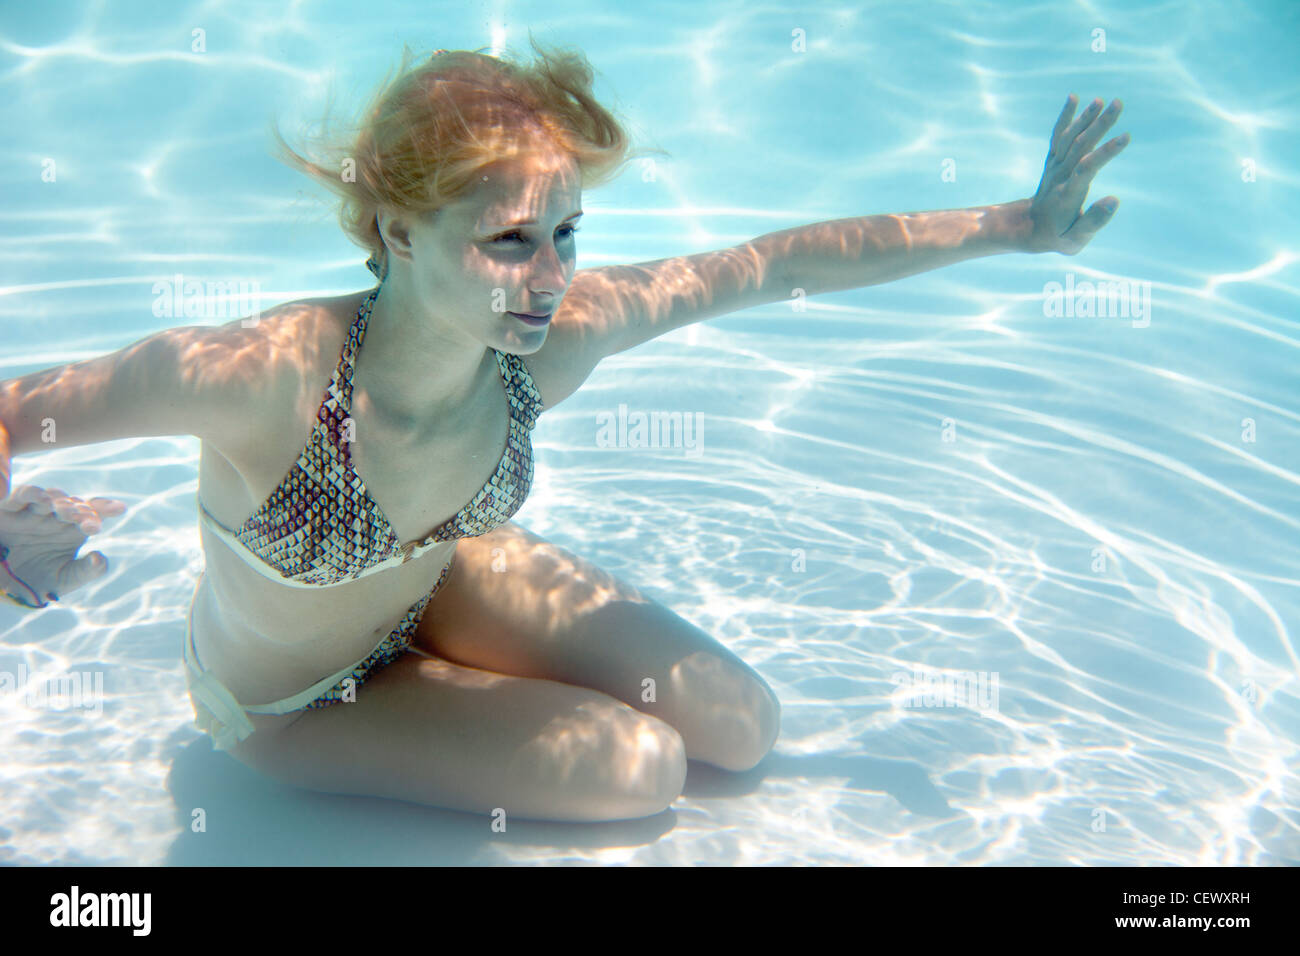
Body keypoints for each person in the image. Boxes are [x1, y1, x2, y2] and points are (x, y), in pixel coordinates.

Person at [0, 42, 1127, 823]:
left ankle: (460, 650)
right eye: (508, 240)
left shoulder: (549, 345)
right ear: (396, 228)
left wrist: (1014, 226)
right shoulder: (266, 381)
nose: (549, 279)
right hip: (287, 702)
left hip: (436, 582)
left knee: (742, 724)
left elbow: (765, 265)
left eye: (568, 232)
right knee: (640, 766)